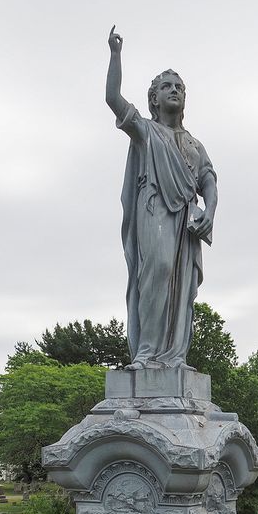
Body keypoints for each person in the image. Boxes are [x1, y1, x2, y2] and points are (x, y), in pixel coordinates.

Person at [106, 26, 218, 369]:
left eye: (179, 87)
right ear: (154, 97)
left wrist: (209, 210)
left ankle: (175, 358)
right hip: (153, 209)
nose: (174, 91)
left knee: (181, 288)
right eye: (166, 86)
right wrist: (115, 54)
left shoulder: (194, 144)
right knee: (157, 271)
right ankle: (146, 352)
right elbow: (113, 98)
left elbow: (208, 179)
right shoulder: (146, 131)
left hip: (186, 220)